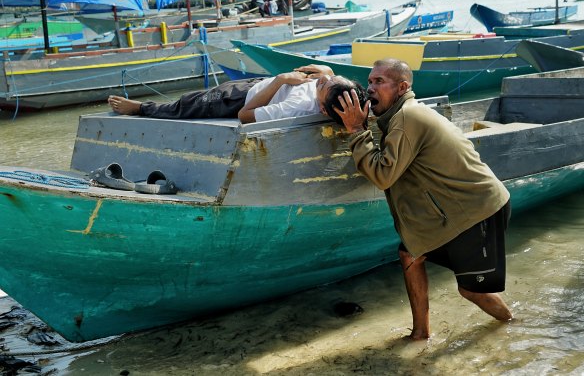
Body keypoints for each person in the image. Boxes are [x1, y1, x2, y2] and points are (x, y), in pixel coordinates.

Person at [334, 58, 513, 340]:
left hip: (477, 210)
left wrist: (357, 131)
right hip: (448, 212)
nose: (370, 88)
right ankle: (420, 333)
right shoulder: (396, 117)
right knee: (410, 255)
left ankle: (513, 325)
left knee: (470, 290)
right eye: (369, 81)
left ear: (402, 86)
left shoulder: (408, 117)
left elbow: (383, 175)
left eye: (379, 82)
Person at [108, 65, 367, 125]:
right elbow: (328, 74)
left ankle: (141, 108)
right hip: (260, 84)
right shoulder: (333, 92)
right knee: (196, 96)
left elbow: (245, 116)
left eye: (324, 85)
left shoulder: (295, 106)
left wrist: (281, 80)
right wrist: (328, 73)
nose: (324, 79)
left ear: (322, 108)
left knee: (187, 105)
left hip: (239, 98)